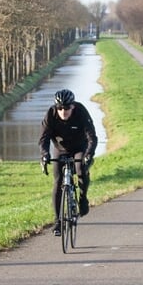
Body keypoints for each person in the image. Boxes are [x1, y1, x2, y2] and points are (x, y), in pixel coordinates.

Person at [38, 88, 98, 235]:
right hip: (61, 149)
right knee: (58, 181)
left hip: (79, 147)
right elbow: (44, 138)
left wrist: (89, 154)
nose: (63, 111)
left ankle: (82, 200)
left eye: (67, 108)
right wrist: (45, 154)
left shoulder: (81, 112)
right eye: (60, 108)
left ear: (73, 106)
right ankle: (58, 221)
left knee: (80, 169)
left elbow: (92, 137)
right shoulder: (50, 115)